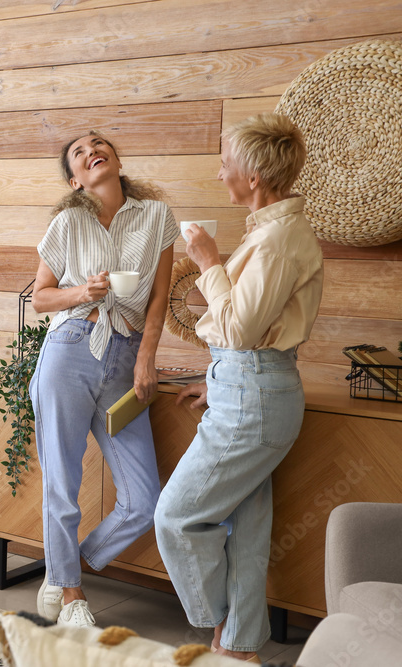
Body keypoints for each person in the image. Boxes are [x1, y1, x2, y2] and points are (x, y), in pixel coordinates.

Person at [154, 113, 323, 663]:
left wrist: (207, 263)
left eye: (227, 162)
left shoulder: (276, 240)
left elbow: (239, 329)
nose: (220, 171)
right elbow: (247, 338)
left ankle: (223, 627)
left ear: (252, 175)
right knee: (248, 528)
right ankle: (241, 650)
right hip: (249, 389)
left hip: (253, 397)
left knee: (175, 517)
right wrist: (218, 378)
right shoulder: (272, 232)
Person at [29, 132, 178, 627]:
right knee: (62, 481)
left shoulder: (157, 217)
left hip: (126, 358)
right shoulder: (67, 222)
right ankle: (72, 596)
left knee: (145, 501)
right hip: (70, 348)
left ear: (116, 159)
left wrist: (147, 358)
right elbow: (41, 299)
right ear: (75, 178)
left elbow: (158, 298)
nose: (93, 148)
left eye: (100, 143)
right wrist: (82, 293)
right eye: (80, 151)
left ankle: (65, 566)